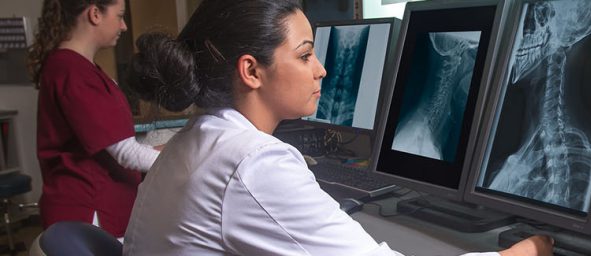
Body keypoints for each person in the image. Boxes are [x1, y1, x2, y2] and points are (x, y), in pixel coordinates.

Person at [122, 0, 552, 255]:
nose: (323, 70)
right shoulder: (253, 164)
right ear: (251, 71)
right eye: (306, 55)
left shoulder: (195, 140)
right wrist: (521, 252)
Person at [27, 0, 161, 238]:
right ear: (95, 14)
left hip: (98, 203)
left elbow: (111, 144)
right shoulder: (71, 70)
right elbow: (126, 153)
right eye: (119, 16)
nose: (123, 26)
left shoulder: (79, 68)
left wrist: (167, 151)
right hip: (89, 209)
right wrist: (186, 162)